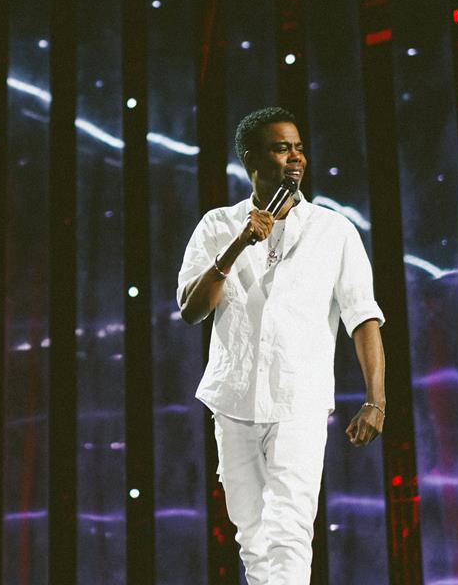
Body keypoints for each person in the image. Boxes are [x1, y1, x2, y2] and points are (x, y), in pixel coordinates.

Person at [176, 107, 385, 584]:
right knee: (252, 535)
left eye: (298, 147)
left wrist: (376, 399)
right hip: (233, 400)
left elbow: (363, 317)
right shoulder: (216, 225)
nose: (296, 157)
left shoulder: (335, 231)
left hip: (299, 400)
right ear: (252, 159)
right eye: (281, 147)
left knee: (289, 529)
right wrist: (240, 242)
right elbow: (192, 309)